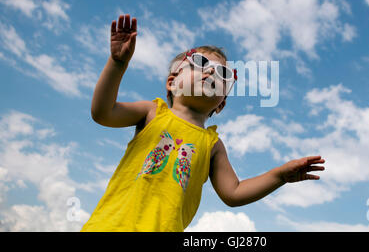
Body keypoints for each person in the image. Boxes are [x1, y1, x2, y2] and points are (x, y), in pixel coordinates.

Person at [81, 14, 325, 232]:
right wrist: (118, 64)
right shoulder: (153, 112)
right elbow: (103, 113)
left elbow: (234, 192)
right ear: (172, 82)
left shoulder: (212, 145)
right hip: (110, 226)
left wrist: (279, 175)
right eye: (199, 63)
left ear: (221, 104)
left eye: (224, 75)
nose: (211, 73)